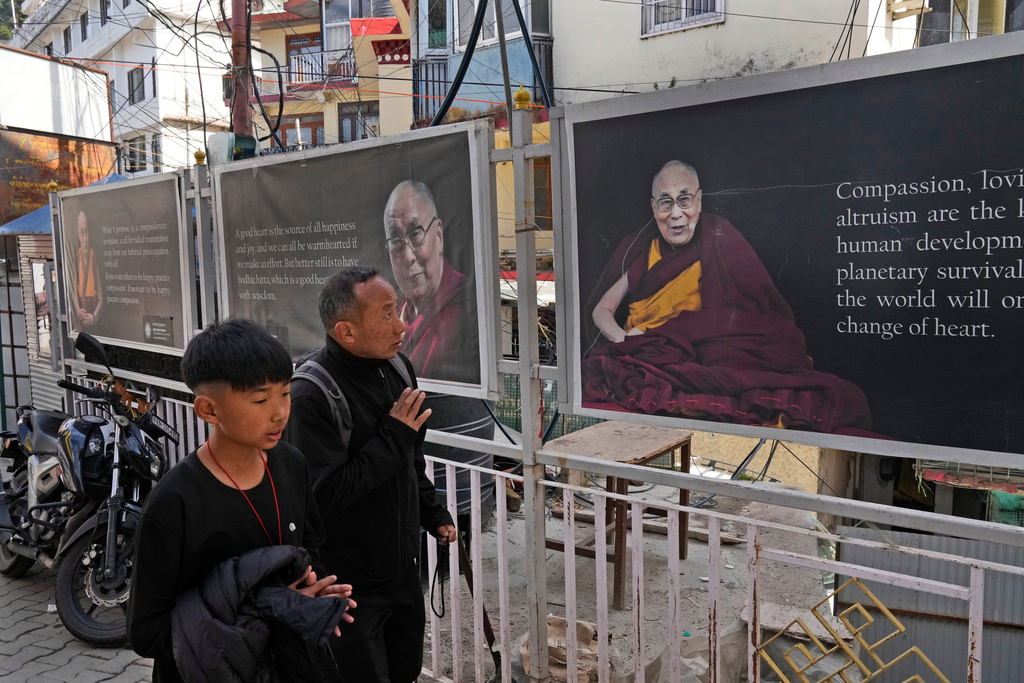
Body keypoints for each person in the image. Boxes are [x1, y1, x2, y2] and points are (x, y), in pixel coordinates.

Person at [127, 319, 353, 682]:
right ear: (209, 410)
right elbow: (147, 632)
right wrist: (272, 608)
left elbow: (309, 548)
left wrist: (316, 592)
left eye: (285, 392)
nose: (280, 412)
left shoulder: (292, 464)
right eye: (261, 399)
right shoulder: (174, 501)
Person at [583, 160, 872, 434]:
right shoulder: (642, 250)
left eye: (684, 200)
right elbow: (601, 311)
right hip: (644, 354)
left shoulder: (720, 237)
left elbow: (752, 314)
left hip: (697, 354)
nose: (675, 213)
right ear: (653, 206)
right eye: (665, 202)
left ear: (699, 201)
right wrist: (627, 341)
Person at [284, 265, 458, 683]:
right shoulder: (311, 395)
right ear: (346, 332)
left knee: (405, 671)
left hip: (402, 570)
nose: (401, 324)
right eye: (386, 314)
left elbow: (410, 460)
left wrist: (433, 513)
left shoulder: (397, 367)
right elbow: (325, 496)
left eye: (397, 308)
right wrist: (394, 434)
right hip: (350, 587)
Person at [383, 179, 479, 384]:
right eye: (395, 241)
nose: (408, 256)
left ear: (438, 235)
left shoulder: (467, 305)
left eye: (415, 234)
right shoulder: (397, 312)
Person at [69, 210, 103, 328]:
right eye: (81, 233)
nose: (85, 239)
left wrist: (94, 317)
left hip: (94, 313)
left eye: (87, 232)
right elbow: (73, 290)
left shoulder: (95, 257)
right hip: (80, 316)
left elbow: (101, 298)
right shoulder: (75, 257)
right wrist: (78, 310)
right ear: (77, 235)